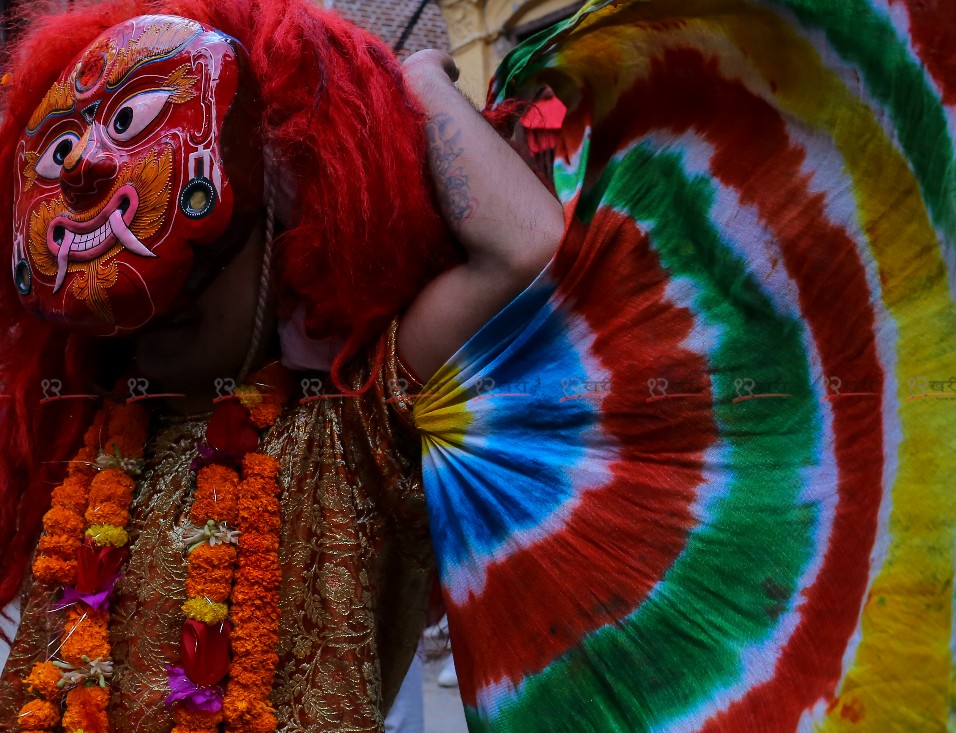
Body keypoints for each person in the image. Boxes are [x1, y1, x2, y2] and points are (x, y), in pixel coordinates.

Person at [0, 1, 560, 731]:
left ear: (286, 237)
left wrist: (412, 81)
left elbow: (525, 251)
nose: (157, 311)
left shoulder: (347, 424)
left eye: (195, 275)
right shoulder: (86, 431)